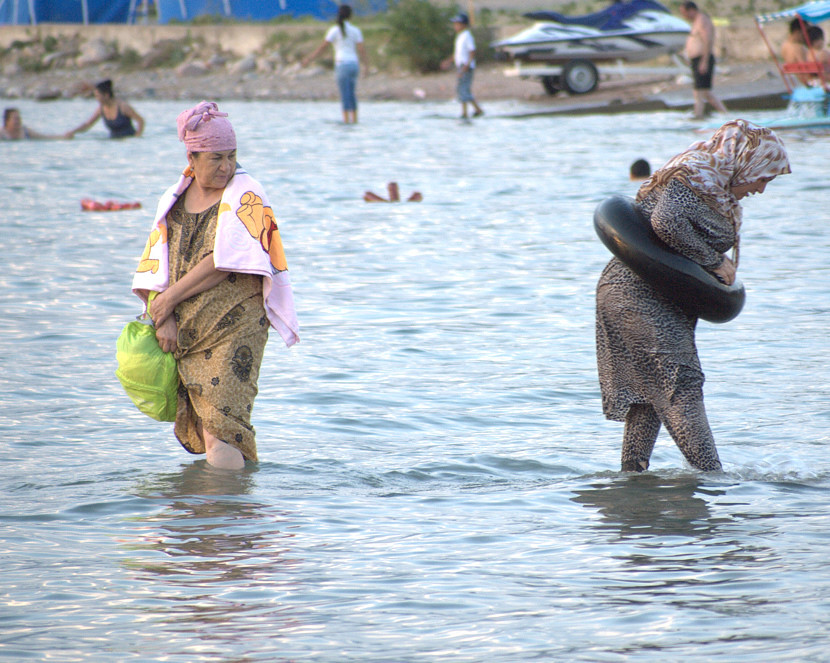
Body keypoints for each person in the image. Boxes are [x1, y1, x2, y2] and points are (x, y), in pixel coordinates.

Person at [596, 120, 790, 472]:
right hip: (636, 292)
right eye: (763, 178)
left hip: (660, 295)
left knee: (651, 394)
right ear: (747, 162)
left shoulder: (715, 188)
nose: (762, 189)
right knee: (681, 384)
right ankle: (714, 480)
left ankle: (634, 482)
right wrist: (713, 259)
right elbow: (667, 223)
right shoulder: (694, 176)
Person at [132, 101, 299, 470]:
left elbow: (225, 262)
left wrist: (167, 302)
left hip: (235, 326)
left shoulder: (245, 192)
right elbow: (160, 264)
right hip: (188, 329)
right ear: (191, 157)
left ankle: (224, 516)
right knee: (208, 425)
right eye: (216, 158)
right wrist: (164, 317)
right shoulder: (173, 199)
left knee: (223, 425)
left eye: (232, 156)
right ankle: (222, 516)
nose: (227, 167)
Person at [302, 4, 369, 124]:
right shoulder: (355, 30)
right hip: (354, 64)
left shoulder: (334, 30)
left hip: (342, 64)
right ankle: (354, 120)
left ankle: (346, 121)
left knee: (345, 94)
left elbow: (323, 47)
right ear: (350, 16)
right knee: (352, 93)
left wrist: (309, 59)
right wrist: (366, 66)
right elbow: (361, 50)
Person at [679, 1, 727, 119]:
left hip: (703, 58)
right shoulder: (695, 22)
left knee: (700, 91)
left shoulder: (702, 20)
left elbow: (708, 40)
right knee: (704, 92)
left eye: (684, 13)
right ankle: (724, 115)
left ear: (691, 10)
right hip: (696, 60)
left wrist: (704, 61)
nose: (683, 16)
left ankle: (698, 115)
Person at [441, 12, 484, 120]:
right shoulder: (460, 36)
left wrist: (467, 65)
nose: (455, 26)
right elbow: (457, 54)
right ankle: (475, 110)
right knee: (463, 89)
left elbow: (472, 51)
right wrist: (449, 61)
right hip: (461, 66)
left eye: (457, 24)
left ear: (464, 25)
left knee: (463, 89)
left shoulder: (467, 36)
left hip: (466, 66)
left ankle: (467, 112)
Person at [69, 79, 144, 139]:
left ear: (106, 95)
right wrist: (73, 132)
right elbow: (87, 124)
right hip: (113, 141)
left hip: (128, 140)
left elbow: (140, 121)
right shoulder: (101, 109)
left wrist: (137, 137)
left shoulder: (123, 106)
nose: (96, 99)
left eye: (98, 96)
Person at [1, 107, 73, 140]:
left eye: (19, 118)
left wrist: (63, 137)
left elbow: (44, 137)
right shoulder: (2, 134)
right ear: (7, 121)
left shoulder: (26, 132)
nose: (18, 121)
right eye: (15, 119)